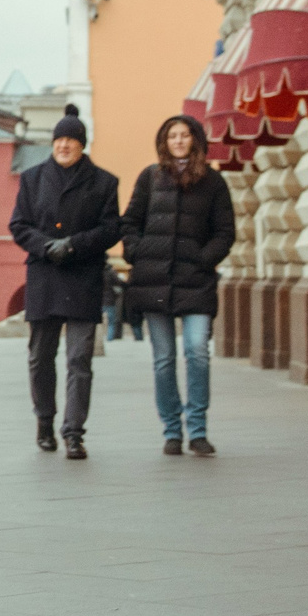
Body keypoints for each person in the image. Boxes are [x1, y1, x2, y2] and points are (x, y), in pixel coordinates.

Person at [8, 105, 123, 460]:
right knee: (40, 357)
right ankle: (44, 420)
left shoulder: (104, 182)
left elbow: (110, 229)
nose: (64, 146)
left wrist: (73, 244)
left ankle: (74, 432)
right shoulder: (32, 178)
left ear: (82, 145)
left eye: (71, 140)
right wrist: (45, 246)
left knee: (79, 359)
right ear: (52, 143)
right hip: (44, 275)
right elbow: (19, 225)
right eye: (59, 139)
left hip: (83, 277)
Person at [121, 113, 236, 457]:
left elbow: (225, 232)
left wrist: (203, 259)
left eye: (185, 135)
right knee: (164, 358)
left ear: (196, 140)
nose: (179, 141)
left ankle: (197, 430)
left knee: (197, 351)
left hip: (195, 281)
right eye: (173, 136)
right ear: (164, 142)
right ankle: (172, 431)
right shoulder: (150, 178)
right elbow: (130, 221)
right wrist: (137, 252)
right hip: (153, 280)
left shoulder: (213, 183)